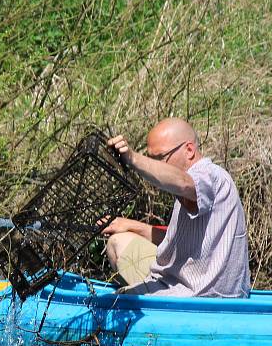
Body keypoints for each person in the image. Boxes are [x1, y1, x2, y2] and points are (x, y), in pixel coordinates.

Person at [102, 118, 250, 298]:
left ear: (189, 150)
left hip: (199, 295)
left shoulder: (210, 175)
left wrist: (133, 159)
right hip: (174, 279)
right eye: (151, 158)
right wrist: (132, 226)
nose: (155, 164)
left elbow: (183, 183)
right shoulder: (188, 188)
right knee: (118, 241)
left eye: (160, 158)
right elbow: (178, 242)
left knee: (113, 302)